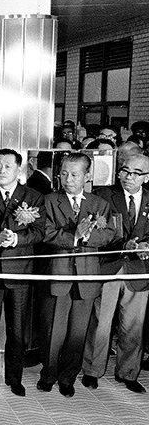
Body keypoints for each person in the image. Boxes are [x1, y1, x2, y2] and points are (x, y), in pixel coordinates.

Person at [0, 148, 46, 397]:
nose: (2, 170)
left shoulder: (33, 197)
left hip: (20, 272)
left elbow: (39, 232)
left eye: (8, 166)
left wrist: (15, 239)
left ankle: (15, 378)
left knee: (18, 330)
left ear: (19, 170)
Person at [39, 152, 115, 397]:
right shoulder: (49, 200)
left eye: (74, 174)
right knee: (54, 330)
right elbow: (45, 233)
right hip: (58, 274)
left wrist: (87, 236)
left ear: (87, 175)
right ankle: (48, 374)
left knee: (78, 332)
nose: (68, 179)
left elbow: (110, 234)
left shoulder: (99, 204)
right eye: (63, 174)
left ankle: (67, 377)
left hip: (86, 277)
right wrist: (73, 236)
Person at [81, 154, 149, 393]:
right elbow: (95, 232)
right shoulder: (105, 196)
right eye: (124, 171)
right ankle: (92, 371)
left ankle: (128, 372)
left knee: (133, 325)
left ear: (146, 177)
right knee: (100, 322)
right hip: (110, 266)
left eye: (135, 173)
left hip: (139, 271)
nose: (128, 177)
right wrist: (121, 244)